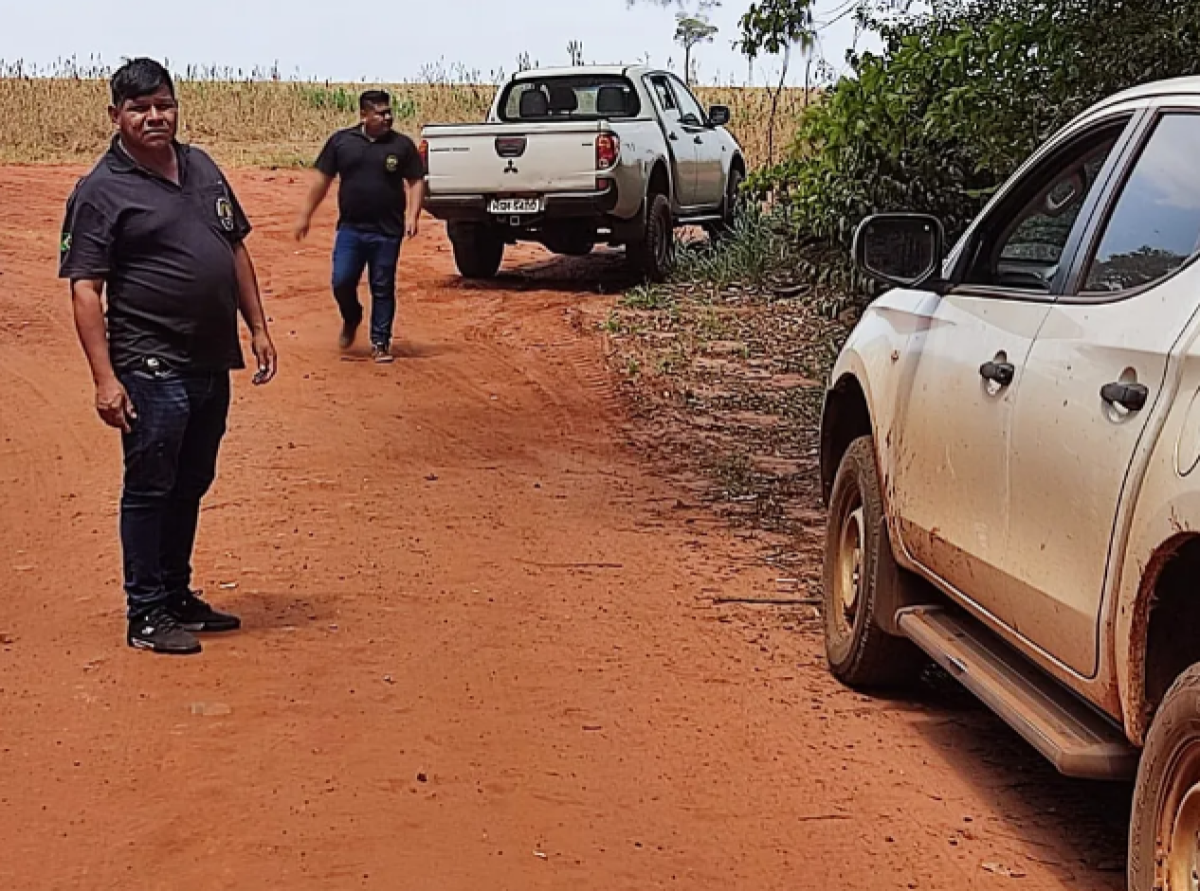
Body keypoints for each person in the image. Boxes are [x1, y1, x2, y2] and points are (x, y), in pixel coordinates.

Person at [58, 57, 277, 656]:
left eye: (164, 104)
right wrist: (105, 380)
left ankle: (177, 594)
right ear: (115, 115)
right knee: (151, 485)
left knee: (191, 480)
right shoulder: (101, 192)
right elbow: (84, 287)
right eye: (139, 108)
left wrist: (258, 326)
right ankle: (146, 611)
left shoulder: (201, 165)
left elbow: (233, 248)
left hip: (211, 358)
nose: (155, 117)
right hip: (149, 362)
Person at [293, 89, 425, 363]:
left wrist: (413, 215)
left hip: (388, 231)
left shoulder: (401, 146)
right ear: (364, 115)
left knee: (382, 285)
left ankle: (380, 342)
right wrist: (306, 214)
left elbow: (415, 180)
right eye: (380, 113)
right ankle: (351, 316)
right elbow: (322, 180)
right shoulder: (342, 142)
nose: (387, 117)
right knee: (342, 281)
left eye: (389, 112)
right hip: (351, 229)